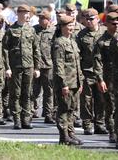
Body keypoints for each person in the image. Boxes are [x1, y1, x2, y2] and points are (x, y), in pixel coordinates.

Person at [2, 4, 40, 130]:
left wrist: (37, 67)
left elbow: (36, 49)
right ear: (18, 14)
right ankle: (17, 120)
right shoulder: (11, 30)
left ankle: (26, 119)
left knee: (28, 94)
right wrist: (7, 68)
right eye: (23, 13)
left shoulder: (31, 30)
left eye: (27, 13)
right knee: (16, 94)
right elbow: (5, 50)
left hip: (29, 66)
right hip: (15, 67)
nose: (26, 15)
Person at [52, 15, 84, 145]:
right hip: (65, 83)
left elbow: (77, 65)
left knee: (72, 109)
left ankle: (71, 134)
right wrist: (63, 84)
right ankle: (64, 136)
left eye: (72, 25)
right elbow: (59, 65)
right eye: (68, 26)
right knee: (64, 109)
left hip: (75, 82)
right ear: (62, 27)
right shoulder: (59, 43)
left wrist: (80, 82)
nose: (71, 28)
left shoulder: (72, 41)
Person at [76, 8, 107, 135]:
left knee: (101, 100)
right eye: (86, 19)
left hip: (103, 73)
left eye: (91, 19)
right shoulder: (81, 35)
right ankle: (87, 125)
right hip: (87, 72)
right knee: (86, 101)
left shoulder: (105, 33)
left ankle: (99, 124)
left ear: (98, 19)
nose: (88, 21)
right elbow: (77, 56)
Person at [93, 12, 118, 143]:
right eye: (113, 24)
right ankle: (112, 131)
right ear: (107, 24)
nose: (116, 26)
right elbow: (97, 62)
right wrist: (100, 79)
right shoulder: (101, 41)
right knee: (110, 105)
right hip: (108, 77)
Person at [32, 10, 55, 124]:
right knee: (34, 90)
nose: (40, 20)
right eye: (39, 18)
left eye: (42, 18)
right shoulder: (34, 29)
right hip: (36, 65)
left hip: (48, 65)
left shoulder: (54, 31)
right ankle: (32, 111)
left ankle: (48, 113)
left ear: (48, 20)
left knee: (48, 91)